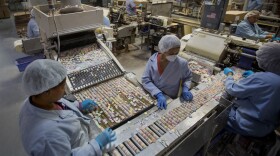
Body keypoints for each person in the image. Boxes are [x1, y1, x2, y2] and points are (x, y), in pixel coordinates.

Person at [19, 59, 116, 156]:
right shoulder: (48, 138)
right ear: (47, 91)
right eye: (62, 87)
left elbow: (57, 107)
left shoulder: (34, 101)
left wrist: (77, 106)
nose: (64, 89)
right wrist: (96, 145)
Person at [223, 42, 280, 138]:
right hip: (267, 127)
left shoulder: (261, 79)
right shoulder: (272, 79)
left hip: (246, 125)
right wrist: (254, 77)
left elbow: (232, 89)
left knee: (216, 116)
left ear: (267, 60)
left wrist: (229, 75)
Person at [142, 35, 193, 110]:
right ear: (163, 50)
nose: (174, 56)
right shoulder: (153, 59)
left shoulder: (182, 63)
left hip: (170, 98)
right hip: (152, 94)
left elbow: (188, 78)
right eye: (171, 53)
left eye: (177, 53)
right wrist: (158, 94)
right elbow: (145, 79)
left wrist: (185, 89)